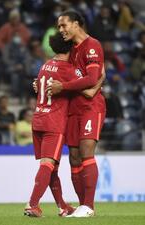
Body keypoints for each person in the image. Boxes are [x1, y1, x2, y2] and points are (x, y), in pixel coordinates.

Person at [24, 32, 101, 218]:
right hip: (54, 122)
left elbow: (39, 85)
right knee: (48, 164)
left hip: (38, 119)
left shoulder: (44, 66)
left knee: (52, 167)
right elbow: (88, 81)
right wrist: (100, 75)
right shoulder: (67, 69)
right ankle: (32, 204)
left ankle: (62, 206)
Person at [48, 10, 106, 217]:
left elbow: (92, 78)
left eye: (64, 25)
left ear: (76, 24)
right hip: (73, 108)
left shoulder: (92, 45)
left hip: (91, 107)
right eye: (59, 27)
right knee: (73, 157)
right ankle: (82, 206)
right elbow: (95, 77)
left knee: (86, 151)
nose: (61, 30)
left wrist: (63, 86)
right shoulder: (69, 50)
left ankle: (89, 206)